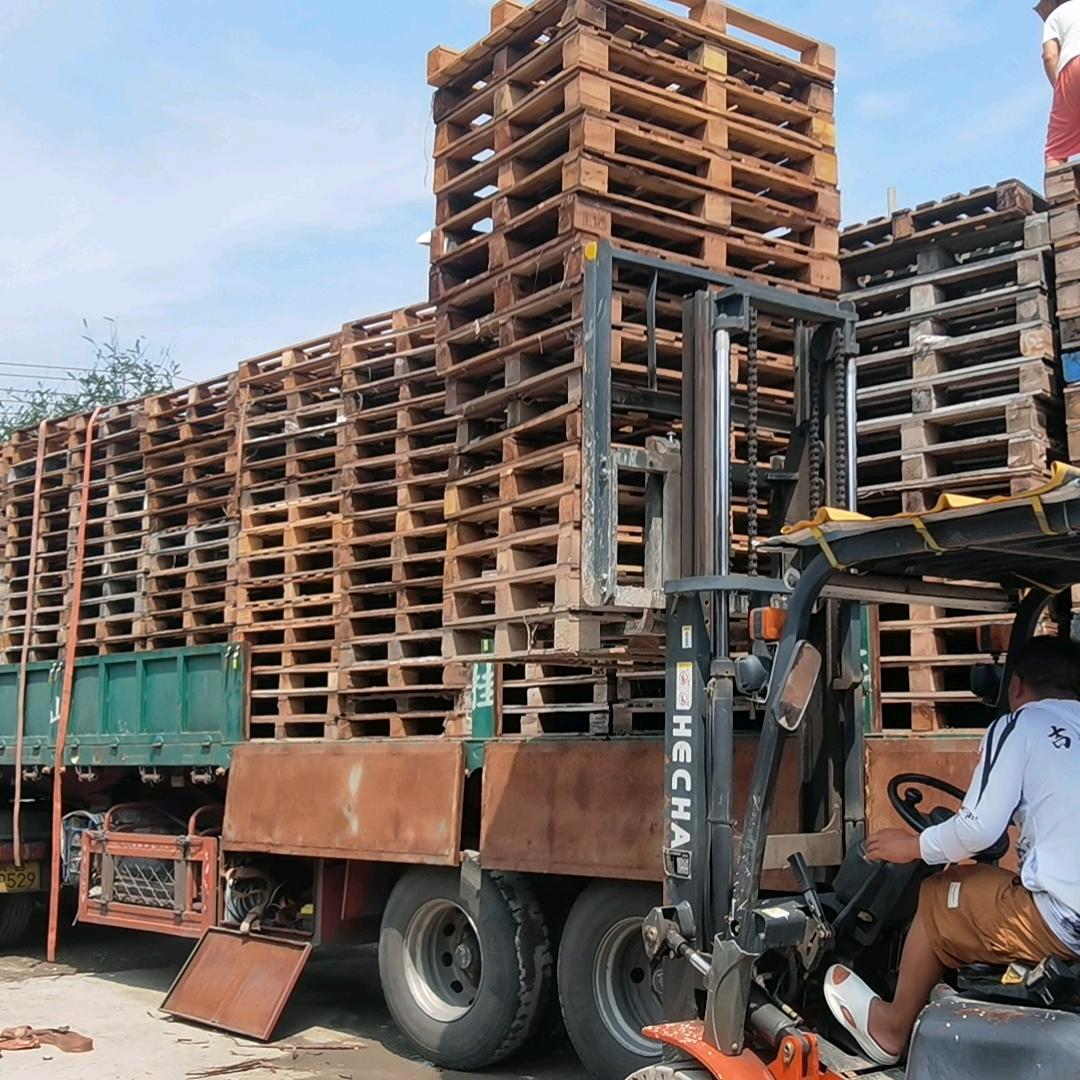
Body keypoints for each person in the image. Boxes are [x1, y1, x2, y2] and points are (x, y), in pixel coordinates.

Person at [824, 636, 1080, 1066]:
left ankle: (891, 1027)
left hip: (1063, 922)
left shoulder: (1021, 726)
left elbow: (979, 826)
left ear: (1015, 686)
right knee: (980, 885)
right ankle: (945, 990)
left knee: (939, 896)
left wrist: (912, 846)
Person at [1041, 0, 1080, 167]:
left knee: (1055, 152)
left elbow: (1050, 56)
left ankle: (1060, 190)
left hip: (1072, 69)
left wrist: (1060, 91)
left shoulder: (1054, 16)